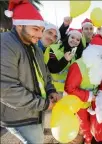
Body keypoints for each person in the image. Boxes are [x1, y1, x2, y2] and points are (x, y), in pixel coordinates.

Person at [1, 1, 60, 143]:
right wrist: (44, 105)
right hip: (19, 116)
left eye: (41, 30)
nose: (40, 35)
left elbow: (45, 74)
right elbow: (5, 89)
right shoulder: (5, 43)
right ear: (19, 25)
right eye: (35, 29)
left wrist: (51, 89)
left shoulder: (35, 47)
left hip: (34, 111)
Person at [64, 34, 102, 144]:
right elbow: (69, 88)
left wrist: (101, 90)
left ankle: (101, 140)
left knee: (99, 124)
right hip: (79, 103)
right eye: (100, 56)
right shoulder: (78, 66)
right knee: (84, 126)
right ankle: (88, 141)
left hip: (95, 100)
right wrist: (88, 96)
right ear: (92, 53)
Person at [44, 28, 84, 93]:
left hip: (68, 91)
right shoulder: (54, 48)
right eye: (72, 37)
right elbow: (51, 68)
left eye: (78, 40)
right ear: (68, 37)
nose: (74, 41)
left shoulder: (77, 55)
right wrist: (65, 60)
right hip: (52, 89)